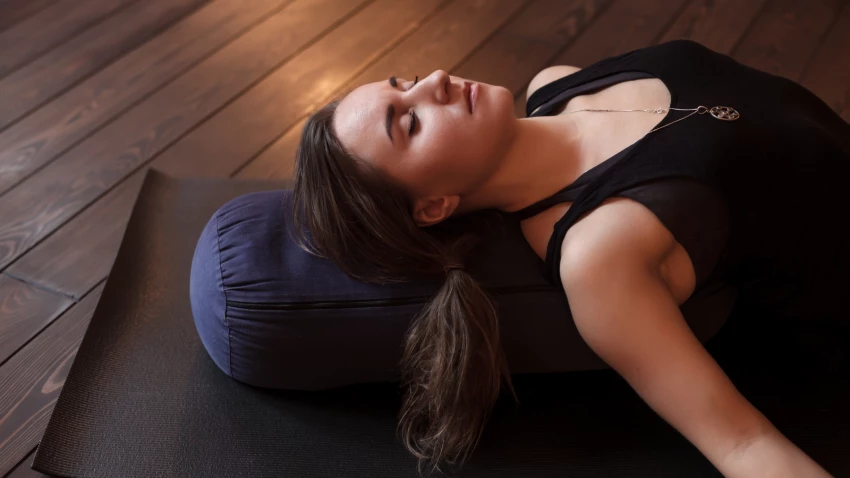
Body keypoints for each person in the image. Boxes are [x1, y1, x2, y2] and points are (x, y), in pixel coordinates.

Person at [291, 39, 848, 477]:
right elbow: (741, 442)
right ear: (435, 207)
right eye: (409, 122)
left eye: (407, 84)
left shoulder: (556, 85)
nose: (435, 82)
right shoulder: (597, 253)